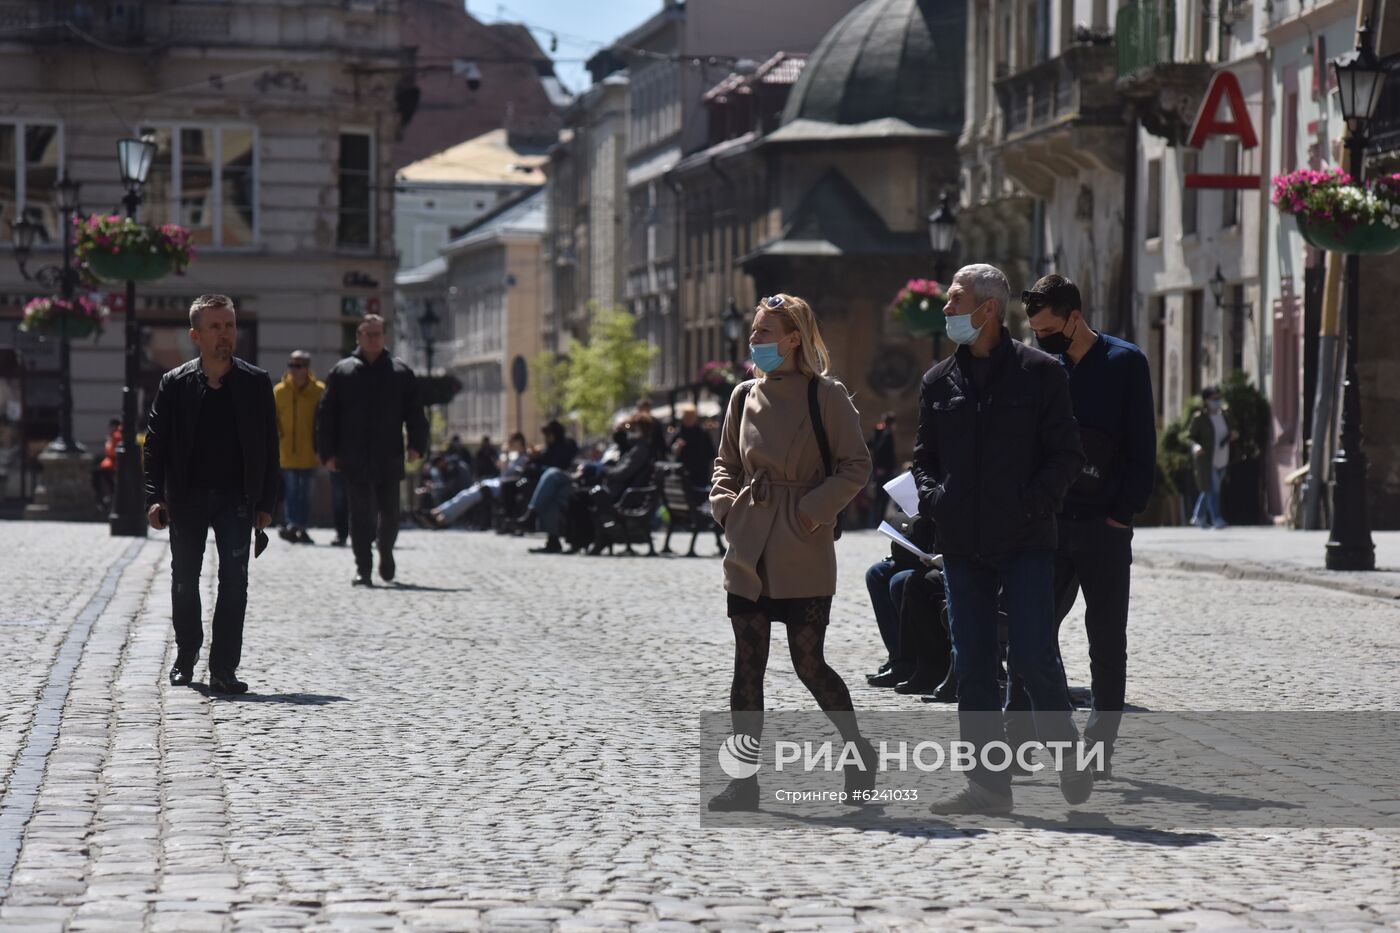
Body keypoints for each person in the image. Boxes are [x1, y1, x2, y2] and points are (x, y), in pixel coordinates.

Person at [912, 264, 1088, 816]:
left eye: (955, 300)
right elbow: (923, 459)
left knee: (1034, 656)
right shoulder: (938, 381)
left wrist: (1035, 503)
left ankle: (1066, 751)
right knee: (973, 664)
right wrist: (936, 500)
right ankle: (988, 787)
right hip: (964, 546)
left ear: (988, 308)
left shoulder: (1041, 373)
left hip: (1027, 541)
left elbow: (1066, 455)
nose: (946, 310)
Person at [707, 293, 875, 812]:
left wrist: (811, 511)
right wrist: (725, 507)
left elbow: (855, 465)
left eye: (763, 333)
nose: (753, 341)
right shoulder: (741, 397)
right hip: (750, 541)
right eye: (754, 332)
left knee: (809, 664)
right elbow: (725, 463)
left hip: (802, 542)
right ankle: (744, 781)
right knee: (747, 667)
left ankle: (857, 751)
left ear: (792, 338)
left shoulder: (827, 395)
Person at [1010, 274, 1157, 777]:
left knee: (1106, 638)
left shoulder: (1124, 363)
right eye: (1034, 331)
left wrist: (1122, 514)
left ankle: (1100, 747)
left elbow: (1142, 447)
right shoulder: (1039, 368)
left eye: (1048, 329)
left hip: (1104, 525)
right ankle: (1021, 739)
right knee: (1031, 633)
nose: (1041, 339)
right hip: (1048, 524)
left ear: (1074, 317)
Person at [143, 295, 279, 695]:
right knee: (184, 580)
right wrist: (154, 496)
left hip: (237, 499)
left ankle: (223, 668)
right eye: (216, 327)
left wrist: (266, 504)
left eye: (230, 325)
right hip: (186, 498)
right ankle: (187, 655)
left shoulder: (255, 383)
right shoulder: (176, 383)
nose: (225, 334)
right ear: (196, 336)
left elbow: (271, 447)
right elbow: (155, 444)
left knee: (235, 582)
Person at [317, 314, 429, 587]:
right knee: (361, 513)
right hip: (353, 455)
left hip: (388, 455)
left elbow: (415, 412)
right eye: (368, 334)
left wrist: (416, 444)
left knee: (390, 512)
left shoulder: (400, 372)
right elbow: (326, 415)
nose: (373, 339)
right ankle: (363, 568)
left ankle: (386, 552)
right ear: (358, 337)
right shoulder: (342, 371)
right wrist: (327, 452)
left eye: (378, 334)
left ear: (384, 337)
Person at [273, 350, 325, 544]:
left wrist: (323, 449)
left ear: (307, 368)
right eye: (291, 365)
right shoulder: (279, 391)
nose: (294, 370)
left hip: (311, 452)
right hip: (286, 452)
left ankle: (300, 526)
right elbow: (273, 420)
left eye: (298, 366)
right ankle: (293, 524)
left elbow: (324, 422)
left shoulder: (319, 391)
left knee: (306, 493)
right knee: (293, 491)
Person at [1188, 386, 1237, 529]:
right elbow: (1190, 437)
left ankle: (1198, 516)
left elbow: (1231, 430)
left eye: (1219, 398)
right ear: (1206, 401)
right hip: (1207, 460)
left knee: (1209, 489)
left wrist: (1232, 436)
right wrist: (1196, 447)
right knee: (1214, 489)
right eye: (1214, 399)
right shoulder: (1200, 419)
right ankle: (1216, 518)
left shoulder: (1225, 416)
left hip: (1223, 457)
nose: (1217, 401)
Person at [670, 403, 718, 490]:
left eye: (691, 417)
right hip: (684, 474)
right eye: (686, 417)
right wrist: (676, 448)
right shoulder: (678, 433)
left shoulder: (703, 432)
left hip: (701, 475)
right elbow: (671, 451)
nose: (689, 419)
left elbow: (711, 454)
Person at [867, 412, 898, 527]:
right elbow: (881, 450)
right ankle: (879, 522)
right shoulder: (887, 434)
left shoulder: (878, 432)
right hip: (885, 471)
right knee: (883, 497)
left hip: (880, 470)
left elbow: (869, 445)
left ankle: (877, 521)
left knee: (879, 497)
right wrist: (881, 467)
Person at [91, 417, 121, 513]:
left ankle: (107, 497)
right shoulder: (113, 435)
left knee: (103, 478)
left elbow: (112, 451)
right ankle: (105, 496)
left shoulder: (116, 435)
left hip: (112, 465)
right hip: (108, 464)